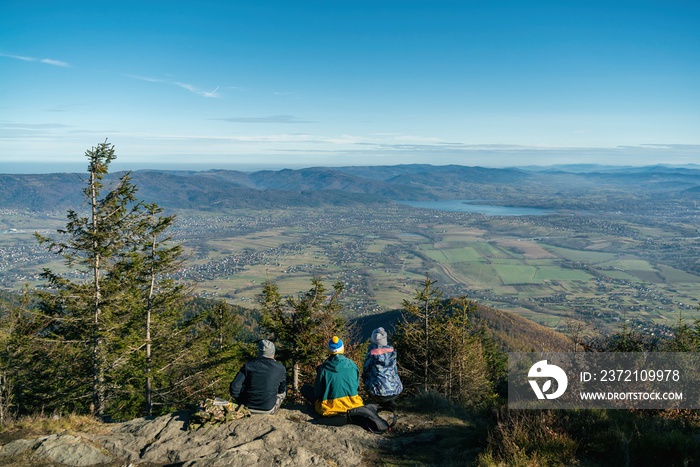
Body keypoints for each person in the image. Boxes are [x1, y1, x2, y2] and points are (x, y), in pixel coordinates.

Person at [301, 336, 364, 417]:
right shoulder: (352, 365)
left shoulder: (323, 368)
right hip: (353, 405)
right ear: (342, 348)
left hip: (330, 407)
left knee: (305, 389)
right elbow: (355, 386)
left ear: (329, 350)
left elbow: (318, 393)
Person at [229, 339, 286, 414]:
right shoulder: (280, 368)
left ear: (259, 351)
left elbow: (234, 387)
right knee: (283, 392)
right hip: (268, 409)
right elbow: (281, 390)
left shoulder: (248, 366)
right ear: (273, 352)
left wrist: (241, 400)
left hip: (248, 407)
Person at [362, 327, 403, 409]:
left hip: (378, 393)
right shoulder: (392, 351)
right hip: (396, 390)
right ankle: (391, 401)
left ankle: (376, 401)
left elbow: (365, 370)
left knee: (366, 377)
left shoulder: (372, 353)